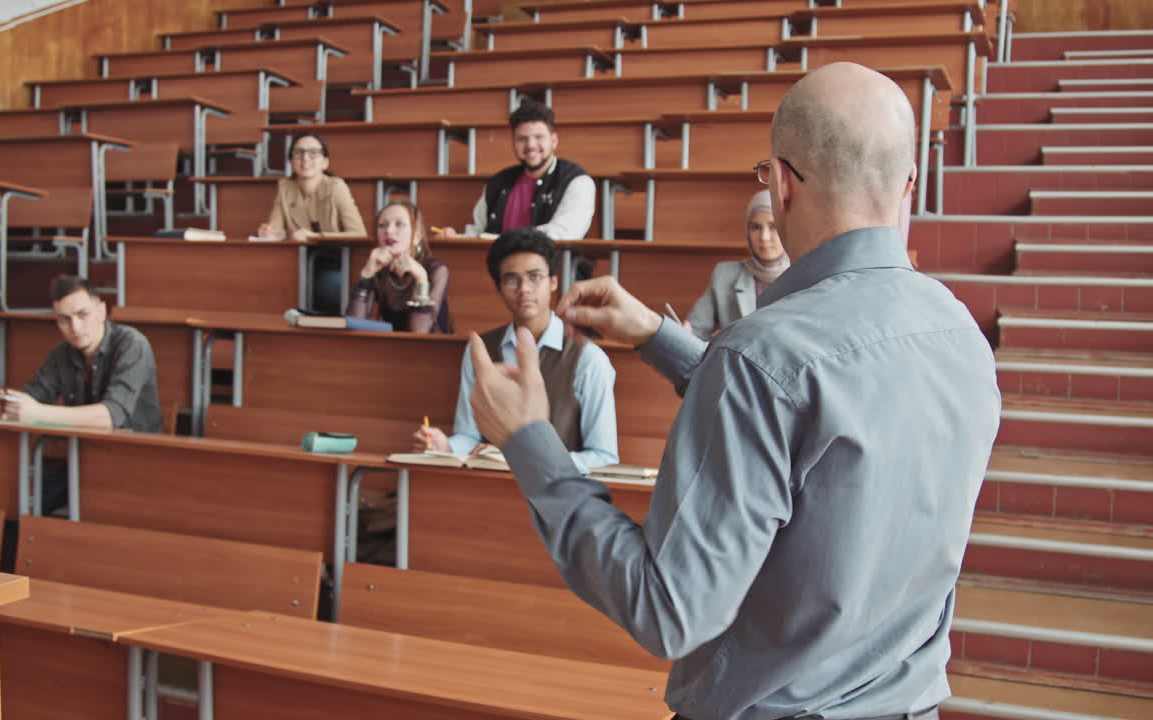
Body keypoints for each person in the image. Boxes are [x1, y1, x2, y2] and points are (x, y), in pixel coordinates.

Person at [464, 62, 1000, 719]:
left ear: (780, 185)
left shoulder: (761, 356)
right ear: (909, 184)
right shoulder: (959, 332)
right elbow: (809, 422)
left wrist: (530, 444)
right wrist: (659, 336)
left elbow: (669, 611)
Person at [413, 227, 618, 473]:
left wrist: (532, 462)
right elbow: (469, 435)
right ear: (499, 287)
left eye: (534, 277)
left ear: (553, 281)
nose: (524, 289)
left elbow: (603, 456)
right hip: (491, 487)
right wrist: (446, 446)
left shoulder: (588, 358)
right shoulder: (480, 350)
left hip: (559, 494)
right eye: (511, 280)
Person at [0, 275, 162, 514]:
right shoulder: (62, 353)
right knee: (20, 506)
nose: (75, 328)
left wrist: (36, 413)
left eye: (82, 315)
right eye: (64, 319)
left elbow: (110, 417)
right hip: (84, 460)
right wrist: (4, 404)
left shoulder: (132, 344)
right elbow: (34, 396)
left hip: (136, 462)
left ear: (101, 311)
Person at [438, 100, 595, 241]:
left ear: (554, 141)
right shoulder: (498, 182)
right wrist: (454, 238)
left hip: (554, 271)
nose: (530, 145)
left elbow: (564, 234)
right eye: (522, 139)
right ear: (513, 143)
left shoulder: (577, 182)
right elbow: (479, 233)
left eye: (538, 137)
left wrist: (503, 240)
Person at [683, 189, 790, 340]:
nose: (764, 237)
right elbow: (695, 331)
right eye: (756, 227)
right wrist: (684, 335)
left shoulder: (807, 276)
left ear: (787, 228)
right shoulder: (725, 274)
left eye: (773, 226)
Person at [347, 200, 451, 333]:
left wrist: (421, 279)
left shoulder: (436, 270)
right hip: (392, 347)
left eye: (399, 224)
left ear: (417, 236)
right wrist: (366, 274)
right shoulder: (378, 269)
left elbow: (421, 332)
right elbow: (353, 325)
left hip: (433, 349)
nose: (389, 231)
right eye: (382, 225)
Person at [256, 132, 367, 241]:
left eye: (313, 152)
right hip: (297, 256)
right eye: (299, 152)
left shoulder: (336, 187)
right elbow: (276, 229)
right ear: (291, 162)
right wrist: (271, 235)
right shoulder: (285, 188)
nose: (305, 158)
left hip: (337, 255)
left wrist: (315, 237)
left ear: (325, 163)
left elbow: (359, 234)